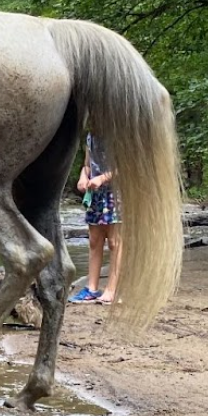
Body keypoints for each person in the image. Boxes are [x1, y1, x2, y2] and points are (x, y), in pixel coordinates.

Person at [71, 130, 122, 305]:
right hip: (96, 195)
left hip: (116, 193)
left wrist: (102, 178)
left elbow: (125, 166)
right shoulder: (91, 136)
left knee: (115, 241)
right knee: (94, 240)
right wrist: (83, 177)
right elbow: (87, 165)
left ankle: (112, 289)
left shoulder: (119, 134)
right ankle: (91, 288)